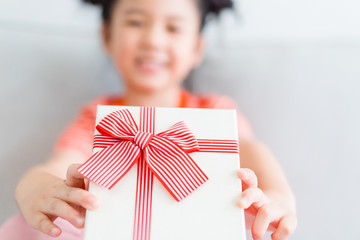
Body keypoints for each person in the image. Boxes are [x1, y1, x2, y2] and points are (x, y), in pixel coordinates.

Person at [0, 0, 297, 239]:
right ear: (107, 36)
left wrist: (277, 196)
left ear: (196, 48)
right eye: (135, 22)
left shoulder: (213, 109)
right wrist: (32, 187)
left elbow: (251, 151)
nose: (153, 40)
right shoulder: (99, 116)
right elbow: (57, 165)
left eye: (173, 27)